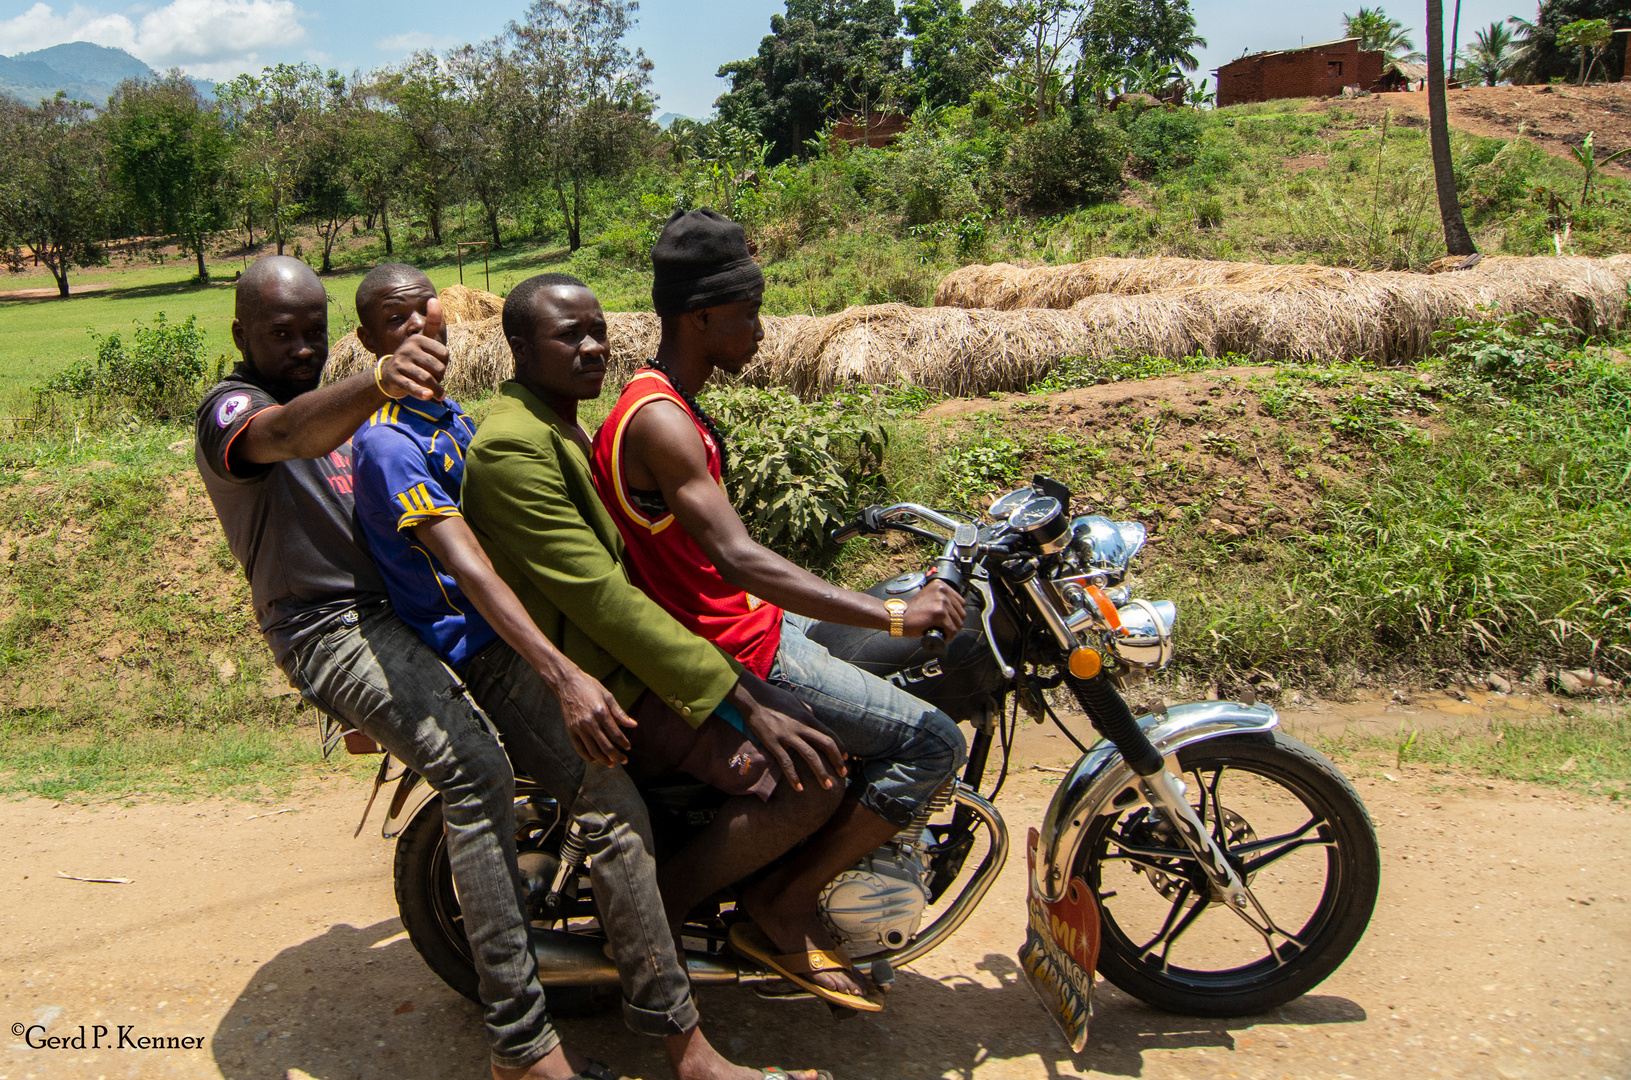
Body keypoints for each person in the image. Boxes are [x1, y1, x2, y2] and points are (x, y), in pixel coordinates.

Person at [347, 262, 834, 1080]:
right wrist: (565, 677)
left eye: (429, 318)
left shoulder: (456, 421)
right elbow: (477, 574)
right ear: (367, 344)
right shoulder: (396, 442)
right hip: (491, 655)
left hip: (530, 641)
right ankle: (662, 1042)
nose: (419, 335)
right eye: (396, 324)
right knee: (607, 813)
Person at [196, 255, 621, 1080]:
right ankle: (522, 1048)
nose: (298, 347)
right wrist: (378, 381)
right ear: (241, 335)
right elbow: (283, 436)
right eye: (278, 333)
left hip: (404, 609)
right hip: (327, 624)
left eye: (311, 333)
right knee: (474, 774)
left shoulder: (352, 406)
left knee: (584, 750)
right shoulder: (235, 407)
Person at [589, 209, 969, 1008]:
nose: (761, 330)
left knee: (890, 685)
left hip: (740, 622)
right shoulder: (659, 419)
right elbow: (740, 560)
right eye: (748, 313)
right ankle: (783, 902)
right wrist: (891, 612)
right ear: (700, 317)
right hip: (735, 643)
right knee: (931, 742)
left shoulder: (665, 404)